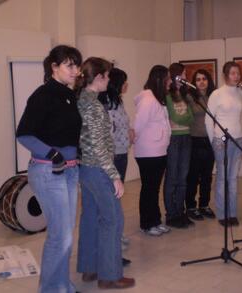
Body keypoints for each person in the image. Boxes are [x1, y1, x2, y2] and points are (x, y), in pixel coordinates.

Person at [16, 45, 82, 293]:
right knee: (61, 236)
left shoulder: (68, 95)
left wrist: (78, 153)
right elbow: (23, 134)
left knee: (65, 234)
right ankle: (51, 289)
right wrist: (53, 154)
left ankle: (61, 284)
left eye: (77, 65)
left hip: (70, 170)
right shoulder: (42, 95)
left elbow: (67, 132)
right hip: (48, 171)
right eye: (69, 65)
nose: (75, 71)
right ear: (54, 67)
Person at [76, 57, 135, 290]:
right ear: (99, 77)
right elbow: (100, 147)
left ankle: (90, 268)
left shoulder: (81, 100)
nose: (109, 80)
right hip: (98, 170)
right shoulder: (94, 106)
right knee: (112, 220)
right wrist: (114, 175)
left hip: (86, 169)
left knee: (90, 217)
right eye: (107, 76)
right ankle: (109, 276)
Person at [97, 67, 133, 266]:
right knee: (111, 203)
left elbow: (121, 125)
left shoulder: (117, 100)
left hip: (121, 153)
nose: (126, 85)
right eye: (124, 81)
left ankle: (116, 238)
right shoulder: (105, 104)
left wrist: (130, 132)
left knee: (116, 200)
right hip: (111, 157)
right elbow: (108, 133)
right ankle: (110, 245)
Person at [206, 61, 242, 227]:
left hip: (239, 140)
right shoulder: (217, 94)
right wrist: (213, 141)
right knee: (222, 178)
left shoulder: (241, 92)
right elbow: (209, 120)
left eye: (238, 73)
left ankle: (233, 213)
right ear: (225, 75)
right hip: (221, 140)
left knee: (233, 178)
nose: (236, 76)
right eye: (232, 73)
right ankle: (222, 214)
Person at [133, 65, 172, 236]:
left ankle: (155, 220)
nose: (170, 82)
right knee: (149, 188)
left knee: (154, 188)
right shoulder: (148, 99)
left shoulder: (157, 98)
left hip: (159, 150)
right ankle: (147, 223)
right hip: (148, 152)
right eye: (168, 79)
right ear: (159, 79)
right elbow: (138, 126)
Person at [164, 63, 194, 228]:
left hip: (186, 137)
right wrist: (182, 119)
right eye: (183, 74)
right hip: (173, 139)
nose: (185, 77)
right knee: (172, 178)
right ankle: (171, 214)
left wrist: (182, 119)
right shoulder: (167, 95)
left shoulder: (184, 94)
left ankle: (180, 212)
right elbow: (175, 116)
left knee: (183, 178)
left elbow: (190, 117)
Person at [185, 69, 216, 221]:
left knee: (207, 176)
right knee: (193, 176)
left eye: (204, 78)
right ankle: (191, 207)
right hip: (194, 141)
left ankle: (204, 205)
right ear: (194, 82)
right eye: (198, 79)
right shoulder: (190, 97)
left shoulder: (214, 96)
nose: (202, 82)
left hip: (210, 141)